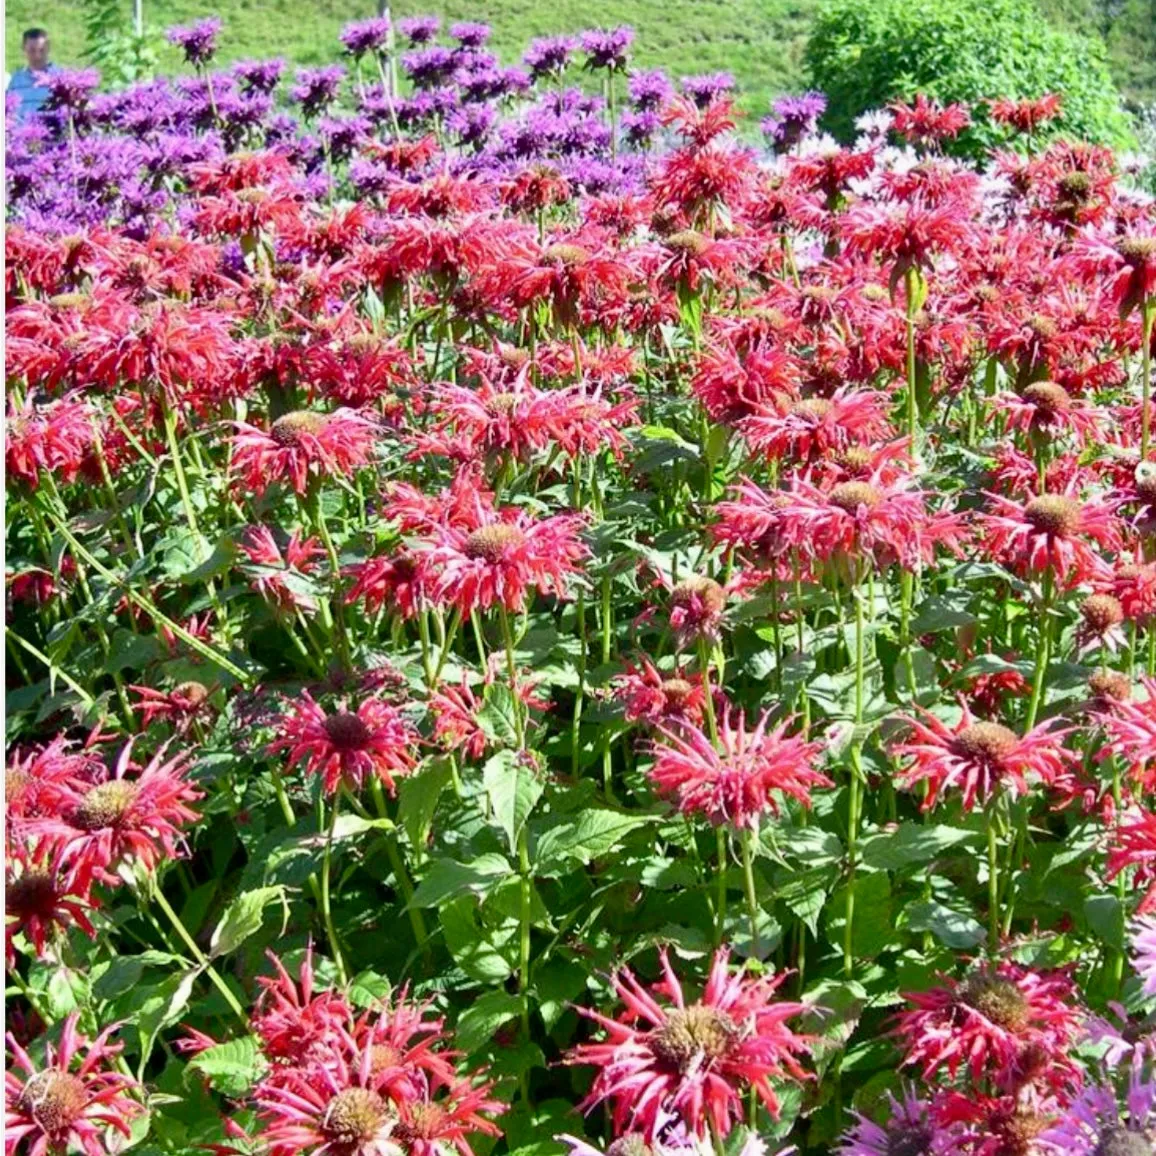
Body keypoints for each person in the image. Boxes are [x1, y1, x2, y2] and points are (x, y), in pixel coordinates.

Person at [7, 28, 57, 120]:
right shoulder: (16, 80)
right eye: (32, 50)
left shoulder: (60, 79)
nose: (37, 56)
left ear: (48, 48)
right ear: (23, 48)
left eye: (42, 50)